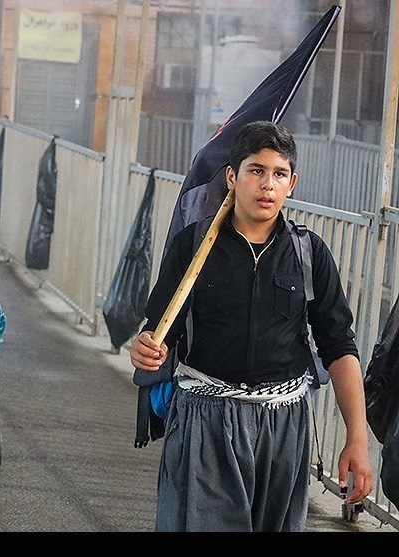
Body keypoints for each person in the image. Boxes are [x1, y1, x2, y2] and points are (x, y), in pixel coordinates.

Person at [128, 120, 374, 532]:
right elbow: (157, 332)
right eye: (255, 170)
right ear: (232, 177)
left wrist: (358, 439)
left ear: (291, 183)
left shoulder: (308, 253)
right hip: (206, 421)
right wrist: (144, 348)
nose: (267, 184)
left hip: (283, 428)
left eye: (278, 174)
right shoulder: (193, 246)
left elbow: (339, 347)